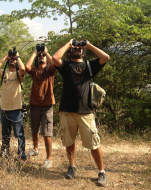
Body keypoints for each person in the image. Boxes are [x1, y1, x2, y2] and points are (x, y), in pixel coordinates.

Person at [52, 39, 110, 186]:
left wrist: (88, 45)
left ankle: (101, 172)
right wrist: (68, 44)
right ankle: (72, 166)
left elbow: (105, 57)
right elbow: (55, 58)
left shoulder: (89, 66)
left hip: (86, 111)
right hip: (67, 111)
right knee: (69, 141)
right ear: (70, 52)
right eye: (75, 48)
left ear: (83, 52)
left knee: (94, 143)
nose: (77, 49)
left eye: (80, 48)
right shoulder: (66, 66)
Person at [0, 50, 27, 162]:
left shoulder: (19, 74)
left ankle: (21, 155)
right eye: (11, 59)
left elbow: (23, 69)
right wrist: (5, 57)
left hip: (16, 110)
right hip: (4, 109)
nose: (13, 61)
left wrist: (18, 56)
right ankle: (5, 152)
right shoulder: (4, 73)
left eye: (14, 60)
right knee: (5, 134)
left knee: (19, 134)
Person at [25, 45, 56, 168]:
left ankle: (49, 158)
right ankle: (35, 149)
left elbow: (55, 63)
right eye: (40, 56)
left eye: (43, 56)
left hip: (47, 105)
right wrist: (35, 53)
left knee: (47, 132)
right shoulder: (34, 71)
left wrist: (46, 52)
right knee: (34, 129)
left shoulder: (50, 71)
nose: (41, 57)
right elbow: (27, 67)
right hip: (34, 105)